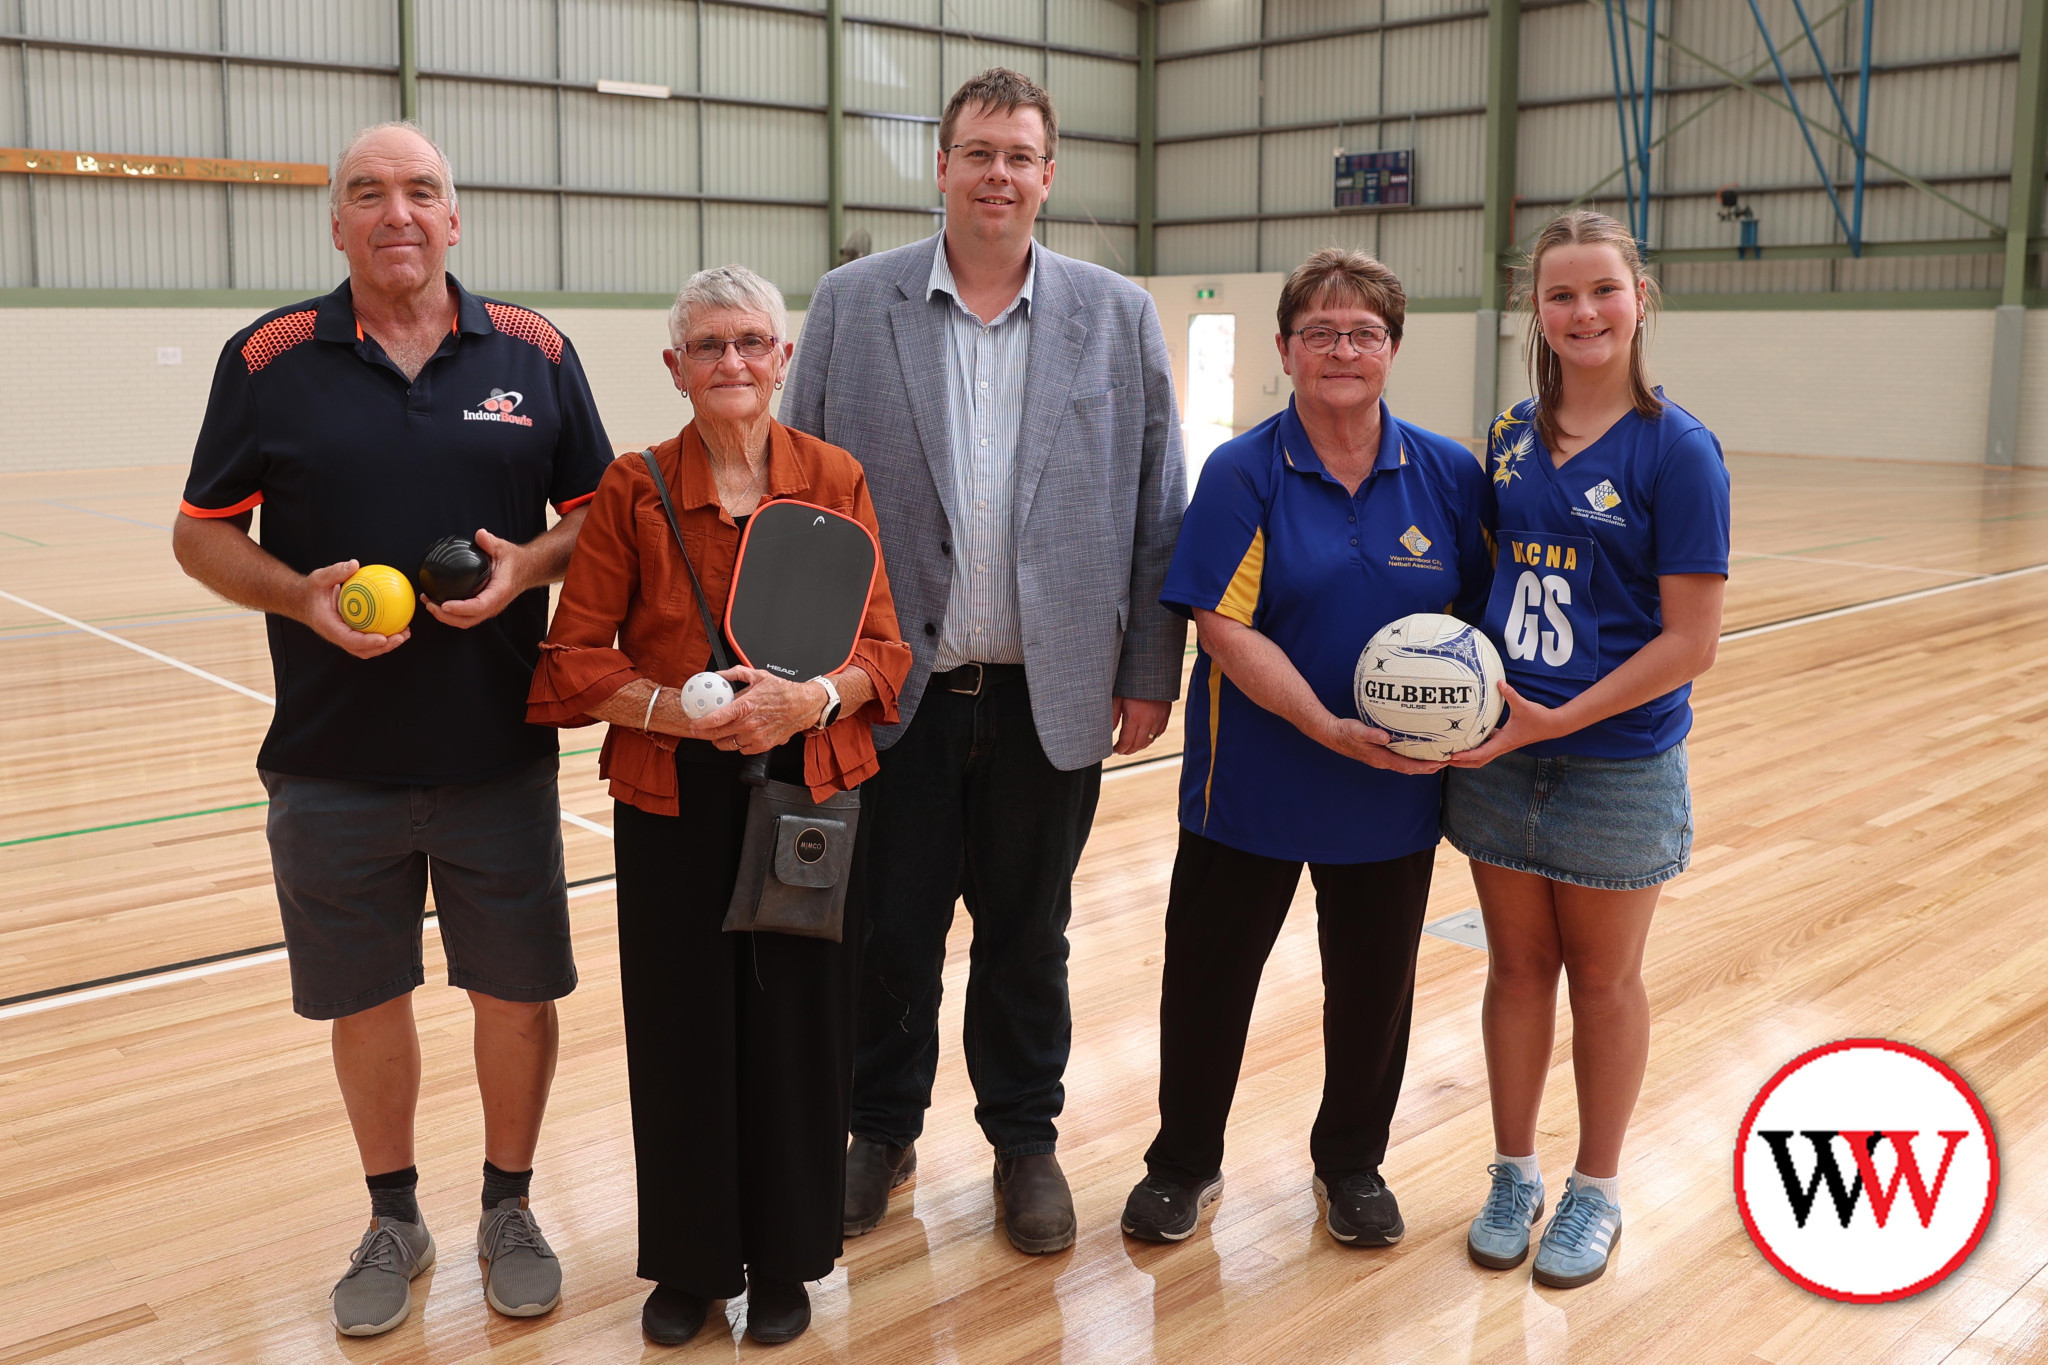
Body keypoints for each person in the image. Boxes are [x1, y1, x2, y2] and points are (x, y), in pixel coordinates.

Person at [171, 122, 611, 1336]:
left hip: (497, 749)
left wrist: (526, 568)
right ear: (338, 222)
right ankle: (392, 1215)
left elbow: (602, 517)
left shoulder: (533, 349)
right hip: (330, 758)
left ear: (454, 218)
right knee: (365, 1000)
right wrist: (302, 595)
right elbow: (201, 530)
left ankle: (509, 1208)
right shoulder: (268, 358)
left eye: (421, 191)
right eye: (369, 193)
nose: (397, 213)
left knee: (515, 996)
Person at [781, 67, 1187, 1255]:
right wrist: (808, 672)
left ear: (1047, 177)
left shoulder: (1111, 314)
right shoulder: (855, 305)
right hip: (887, 687)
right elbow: (802, 495)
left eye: (1019, 156)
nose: (997, 174)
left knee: (1029, 933)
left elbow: (1156, 503)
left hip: (1048, 693)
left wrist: (1148, 668)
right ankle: (878, 1130)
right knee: (886, 925)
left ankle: (1023, 1140)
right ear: (943, 169)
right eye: (976, 153)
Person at [526, 264, 911, 1346]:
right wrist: (673, 714)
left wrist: (805, 701)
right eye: (709, 347)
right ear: (674, 367)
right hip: (671, 798)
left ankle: (786, 1263)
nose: (732, 363)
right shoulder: (632, 486)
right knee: (681, 1030)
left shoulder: (834, 477)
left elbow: (885, 654)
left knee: (798, 1031)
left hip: (806, 792)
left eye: (751, 342)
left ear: (783, 359)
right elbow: (569, 660)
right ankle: (692, 1265)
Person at [1117, 249, 1493, 1249]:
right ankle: (1183, 1162)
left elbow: (1479, 624)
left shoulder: (1448, 474)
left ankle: (1351, 1165)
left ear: (1392, 349)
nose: (1340, 349)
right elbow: (1222, 623)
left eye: (1361, 331)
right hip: (1251, 782)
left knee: (1372, 992)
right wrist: (1323, 726)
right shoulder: (1245, 470)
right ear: (1283, 349)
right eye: (1318, 331)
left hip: (1394, 791)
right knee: (1207, 979)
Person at [1447, 210, 1729, 1289]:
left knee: (1603, 982)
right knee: (1515, 971)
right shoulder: (1508, 438)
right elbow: (1484, 592)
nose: (1582, 312)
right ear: (1537, 309)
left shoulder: (1678, 450)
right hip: (1500, 754)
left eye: (1601, 290)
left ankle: (1594, 1189)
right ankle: (1512, 1170)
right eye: (1560, 294)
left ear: (1638, 298)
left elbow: (1688, 642)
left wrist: (1561, 718)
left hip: (1613, 761)